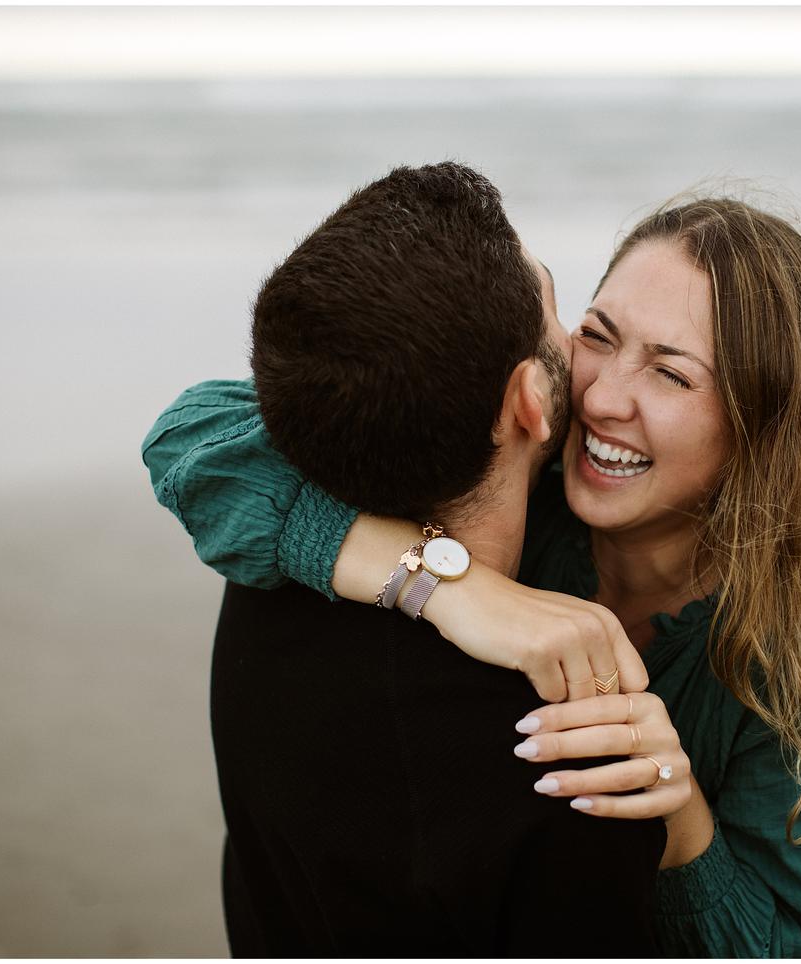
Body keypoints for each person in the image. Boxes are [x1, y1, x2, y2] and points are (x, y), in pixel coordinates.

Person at [145, 190, 801, 957]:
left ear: (768, 421)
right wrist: (447, 586)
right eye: (598, 335)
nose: (604, 396)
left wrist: (678, 815)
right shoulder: (531, 477)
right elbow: (198, 433)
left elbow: (796, 943)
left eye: (672, 375)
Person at [144, 162, 666, 956]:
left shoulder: (267, 576)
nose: (577, 350)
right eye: (557, 313)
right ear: (528, 399)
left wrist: (431, 579)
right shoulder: (569, 762)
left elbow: (194, 429)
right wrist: (447, 586)